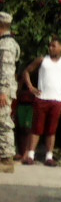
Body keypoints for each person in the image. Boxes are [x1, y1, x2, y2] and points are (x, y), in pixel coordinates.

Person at [21, 36, 61, 166]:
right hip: (41, 98)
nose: (50, 48)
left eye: (54, 46)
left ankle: (49, 157)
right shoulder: (42, 60)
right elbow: (26, 72)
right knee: (36, 128)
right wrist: (30, 87)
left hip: (56, 100)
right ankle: (30, 155)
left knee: (51, 130)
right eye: (50, 45)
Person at [0, 11, 20, 173]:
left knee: (4, 122)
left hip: (3, 91)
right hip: (4, 89)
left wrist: (3, 92)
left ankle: (6, 159)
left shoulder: (6, 45)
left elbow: (6, 71)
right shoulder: (5, 43)